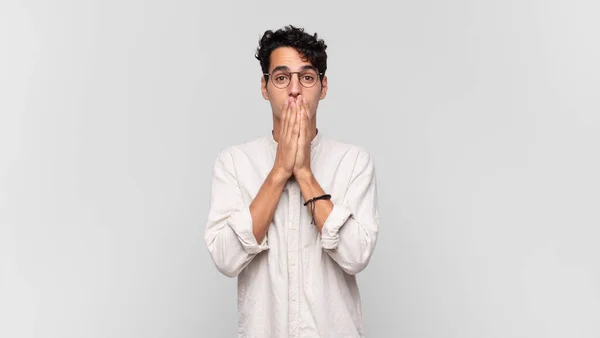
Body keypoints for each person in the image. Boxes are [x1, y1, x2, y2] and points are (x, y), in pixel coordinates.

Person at [204, 25, 380, 338]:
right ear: (265, 86)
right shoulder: (234, 163)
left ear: (323, 87)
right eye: (282, 77)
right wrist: (279, 171)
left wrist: (304, 174)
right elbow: (226, 259)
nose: (294, 89)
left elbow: (355, 256)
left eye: (307, 77)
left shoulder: (353, 162)